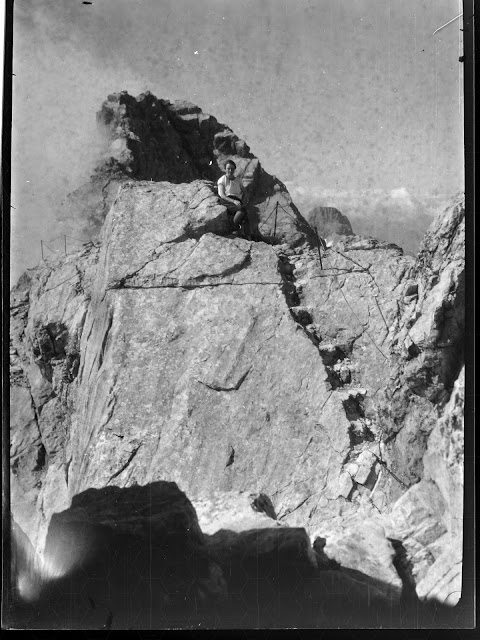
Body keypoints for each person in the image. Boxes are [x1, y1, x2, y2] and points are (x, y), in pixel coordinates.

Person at [217, 160, 251, 239]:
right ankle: (233, 228)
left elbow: (244, 191)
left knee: (245, 217)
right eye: (228, 168)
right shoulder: (222, 180)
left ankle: (248, 237)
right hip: (227, 200)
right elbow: (221, 194)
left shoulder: (238, 180)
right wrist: (233, 201)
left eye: (232, 169)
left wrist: (245, 198)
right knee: (242, 210)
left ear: (234, 169)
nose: (230, 171)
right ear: (225, 169)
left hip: (237, 201)